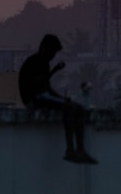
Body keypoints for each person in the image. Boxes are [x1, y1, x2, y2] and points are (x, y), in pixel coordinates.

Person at [18, 34, 98, 164]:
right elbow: (36, 86)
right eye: (52, 52)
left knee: (79, 109)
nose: (53, 56)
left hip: (42, 96)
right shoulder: (33, 62)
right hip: (33, 99)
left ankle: (80, 149)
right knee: (69, 109)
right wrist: (53, 71)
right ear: (44, 49)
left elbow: (47, 88)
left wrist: (62, 99)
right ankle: (70, 150)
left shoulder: (44, 64)